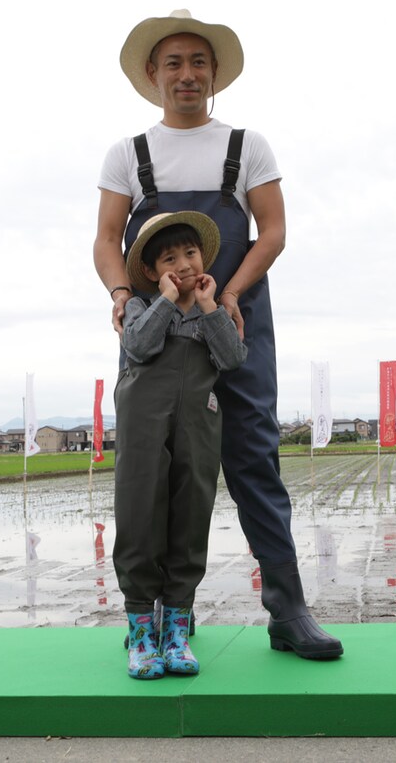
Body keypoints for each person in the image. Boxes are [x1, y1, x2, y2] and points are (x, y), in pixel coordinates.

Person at [94, 10, 344, 660]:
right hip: (157, 339)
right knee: (158, 475)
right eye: (173, 63)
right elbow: (105, 238)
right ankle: (169, 617)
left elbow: (273, 230)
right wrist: (123, 293)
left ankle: (288, 609)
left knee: (255, 459)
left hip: (238, 322)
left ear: (214, 74)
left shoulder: (246, 146)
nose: (186, 74)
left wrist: (231, 292)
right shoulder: (129, 154)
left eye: (197, 62)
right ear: (153, 74)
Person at [114, 210, 247, 679]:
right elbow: (139, 347)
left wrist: (211, 307)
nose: (184, 264)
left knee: (192, 511)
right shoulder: (139, 307)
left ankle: (176, 628)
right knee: (139, 512)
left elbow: (232, 358)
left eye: (190, 253)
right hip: (144, 422)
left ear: (203, 256)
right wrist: (167, 300)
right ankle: (140, 629)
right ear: (151, 272)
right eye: (169, 258)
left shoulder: (215, 312)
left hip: (198, 421)